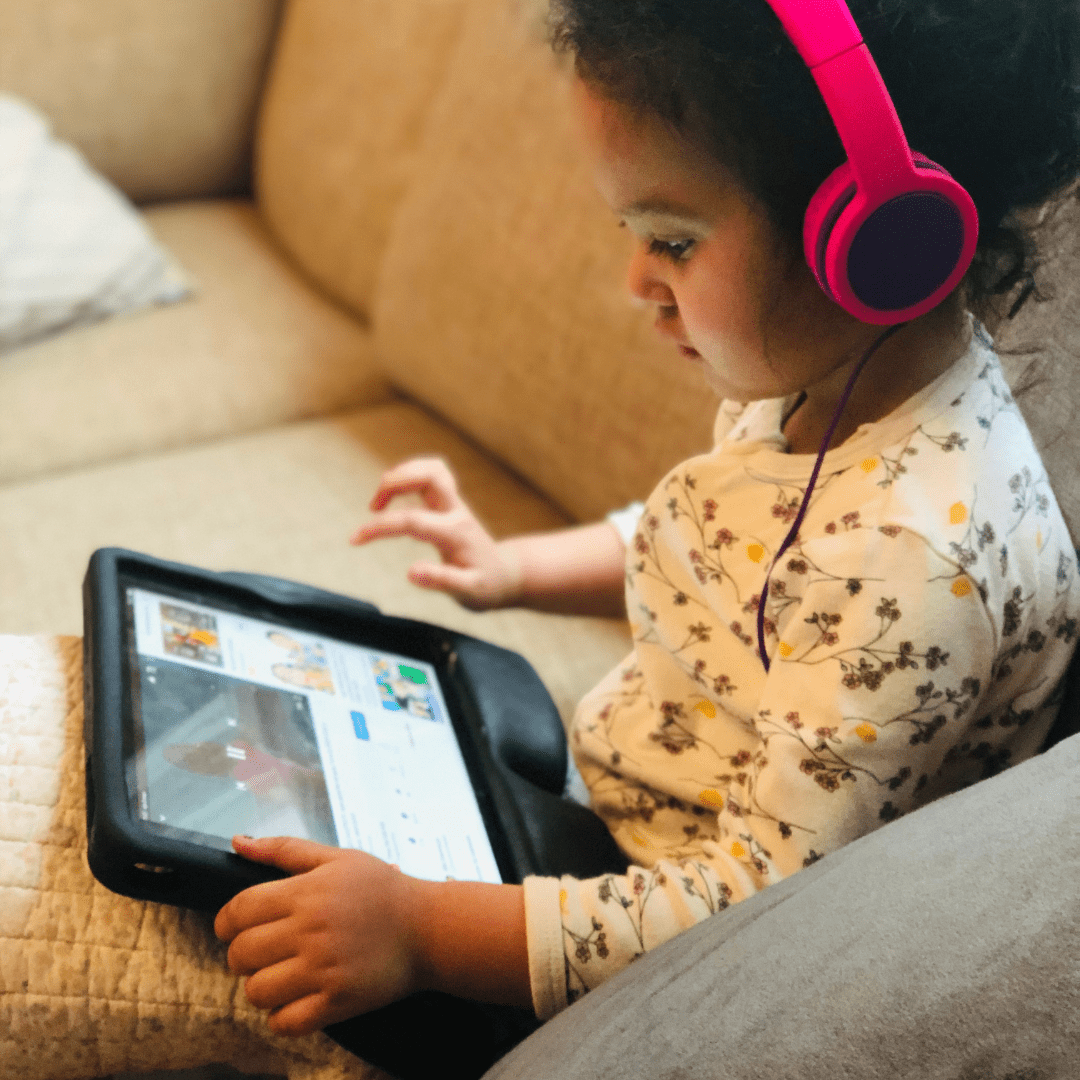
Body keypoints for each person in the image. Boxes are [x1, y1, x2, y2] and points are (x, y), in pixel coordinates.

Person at [213, 0, 1080, 1043]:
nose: (636, 283)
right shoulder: (836, 380)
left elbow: (759, 909)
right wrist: (512, 568)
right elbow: (734, 544)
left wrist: (424, 932)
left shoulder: (910, 562)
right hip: (613, 790)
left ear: (880, 243)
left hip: (651, 925)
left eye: (671, 239)